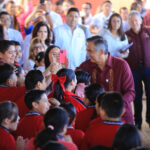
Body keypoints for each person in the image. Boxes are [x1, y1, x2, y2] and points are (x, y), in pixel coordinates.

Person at [76, 36, 135, 124]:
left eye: (90, 51)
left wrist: (116, 106)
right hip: (97, 119)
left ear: (101, 52)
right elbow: (73, 78)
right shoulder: (87, 66)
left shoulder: (121, 65)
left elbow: (130, 92)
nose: (87, 54)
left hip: (121, 118)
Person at [125, 10, 150, 129]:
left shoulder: (148, 32)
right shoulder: (125, 35)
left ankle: (149, 119)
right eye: (132, 20)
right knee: (137, 96)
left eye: (136, 20)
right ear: (129, 22)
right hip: (133, 70)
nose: (134, 22)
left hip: (148, 68)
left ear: (141, 21)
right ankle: (138, 121)